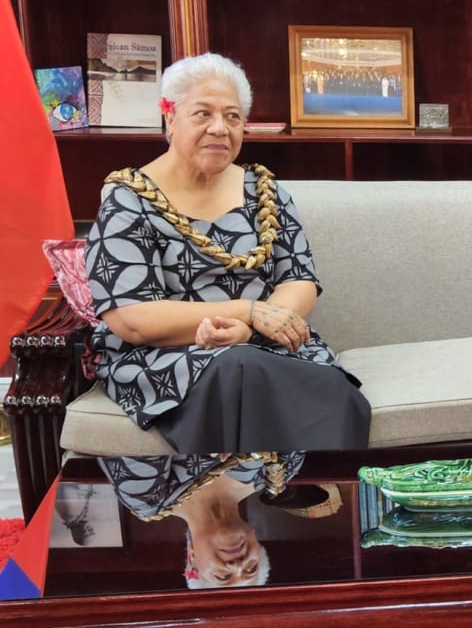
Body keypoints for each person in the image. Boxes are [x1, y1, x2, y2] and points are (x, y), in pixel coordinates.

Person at [85, 52, 371, 454]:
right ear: (170, 116)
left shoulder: (265, 192)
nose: (220, 129)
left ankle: (315, 508)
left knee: (326, 387)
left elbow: (299, 280)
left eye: (233, 117)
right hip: (167, 355)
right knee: (239, 370)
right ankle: (236, 507)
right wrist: (248, 312)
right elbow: (132, 319)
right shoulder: (129, 200)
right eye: (202, 114)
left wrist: (252, 331)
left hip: (263, 345)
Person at [99, 452, 308, 588]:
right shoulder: (279, 471)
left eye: (222, 577)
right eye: (251, 568)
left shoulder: (147, 498)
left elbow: (129, 418)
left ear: (192, 558)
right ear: (256, 538)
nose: (237, 565)